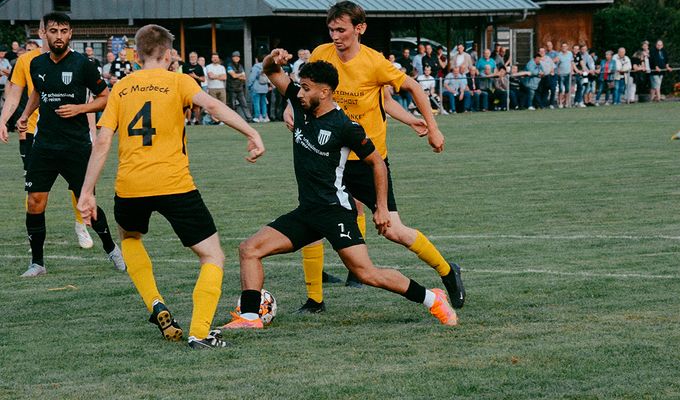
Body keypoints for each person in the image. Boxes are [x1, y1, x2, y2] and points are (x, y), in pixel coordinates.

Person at [221, 52, 457, 329]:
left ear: (325, 91)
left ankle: (433, 298)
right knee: (249, 249)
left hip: (336, 212)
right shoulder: (301, 103)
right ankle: (250, 318)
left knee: (366, 273)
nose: (300, 93)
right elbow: (271, 71)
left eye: (306, 88)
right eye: (300, 86)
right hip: (308, 211)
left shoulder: (345, 126)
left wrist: (381, 206)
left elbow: (377, 164)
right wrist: (273, 58)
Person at [77, 24, 265, 349]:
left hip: (130, 184)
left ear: (136, 55)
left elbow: (103, 140)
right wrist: (251, 133)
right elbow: (213, 107)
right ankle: (201, 332)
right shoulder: (179, 80)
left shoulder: (121, 87)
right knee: (211, 256)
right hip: (174, 183)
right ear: (169, 54)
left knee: (130, 239)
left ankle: (155, 304)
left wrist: (87, 191)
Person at [295, 1, 464, 314]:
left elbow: (408, 88)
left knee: (393, 230)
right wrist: (290, 110)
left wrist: (431, 126)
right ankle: (314, 300)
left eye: (341, 29)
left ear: (360, 29)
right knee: (312, 217)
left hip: (369, 161)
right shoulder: (321, 54)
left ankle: (446, 270)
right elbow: (305, 89)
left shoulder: (375, 63)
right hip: (330, 157)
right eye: (331, 29)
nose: (335, 36)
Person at [1, 12, 124, 277]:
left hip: (76, 146)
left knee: (87, 204)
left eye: (64, 31)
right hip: (44, 145)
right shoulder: (37, 64)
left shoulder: (84, 64)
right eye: (54, 31)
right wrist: (23, 116)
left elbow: (106, 97)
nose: (59, 36)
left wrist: (81, 108)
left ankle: (112, 248)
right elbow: (38, 91)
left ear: (71, 34)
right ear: (43, 33)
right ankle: (37, 263)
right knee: (34, 201)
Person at [0, 18, 95, 252]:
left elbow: (86, 97)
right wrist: (3, 120)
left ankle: (81, 224)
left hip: (71, 133)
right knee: (33, 188)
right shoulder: (26, 61)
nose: (55, 33)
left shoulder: (76, 62)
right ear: (42, 32)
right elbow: (14, 94)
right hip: (34, 133)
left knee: (80, 186)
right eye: (49, 29)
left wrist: (91, 129)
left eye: (61, 29)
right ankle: (35, 242)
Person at [226, 50, 253, 121]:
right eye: (235, 57)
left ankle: (249, 118)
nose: (236, 58)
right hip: (232, 89)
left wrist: (237, 75)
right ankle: (233, 119)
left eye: (237, 57)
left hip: (239, 88)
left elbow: (244, 78)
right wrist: (239, 75)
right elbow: (234, 76)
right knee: (232, 105)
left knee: (244, 104)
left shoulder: (240, 66)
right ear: (232, 58)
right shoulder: (229, 65)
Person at [183, 51, 205, 124]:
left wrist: (196, 77)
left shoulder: (199, 67)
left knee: (197, 106)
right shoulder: (185, 66)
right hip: (187, 88)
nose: (192, 58)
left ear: (196, 58)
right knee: (188, 106)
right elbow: (183, 77)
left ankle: (197, 121)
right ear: (189, 58)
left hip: (197, 88)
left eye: (194, 57)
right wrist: (189, 77)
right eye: (191, 57)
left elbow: (203, 79)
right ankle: (188, 121)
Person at [247, 53, 271, 123]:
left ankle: (257, 117)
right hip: (265, 87)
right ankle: (264, 117)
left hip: (256, 87)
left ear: (257, 59)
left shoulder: (256, 67)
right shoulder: (267, 66)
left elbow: (252, 78)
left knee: (256, 102)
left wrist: (249, 85)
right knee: (263, 102)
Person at [555, 42, 574, 108]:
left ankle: (566, 103)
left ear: (567, 47)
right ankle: (560, 103)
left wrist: (572, 70)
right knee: (560, 89)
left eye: (565, 46)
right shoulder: (559, 54)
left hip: (568, 74)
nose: (564, 48)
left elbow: (571, 62)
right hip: (561, 74)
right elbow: (556, 62)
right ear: (561, 47)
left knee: (567, 89)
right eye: (563, 46)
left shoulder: (570, 54)